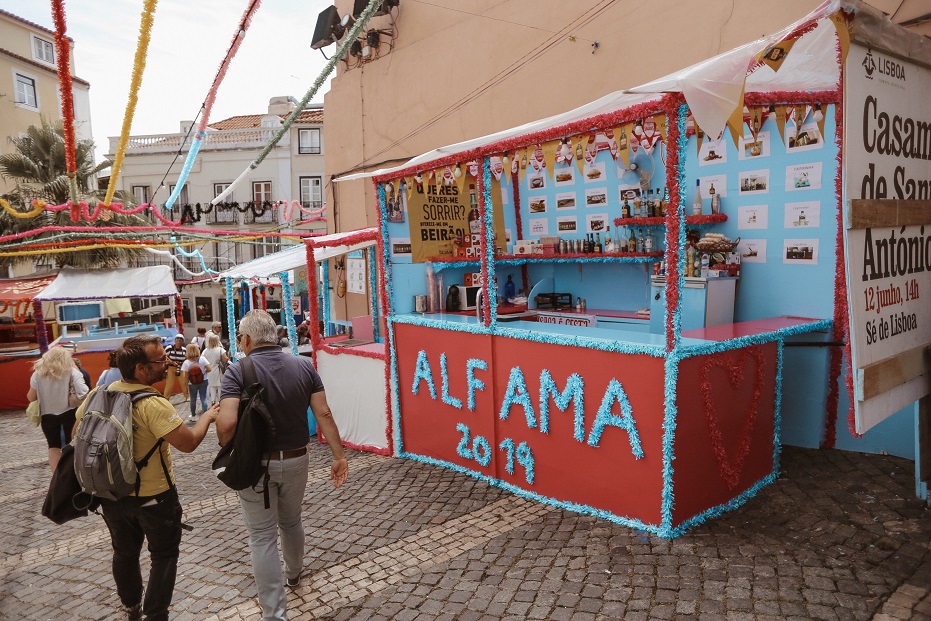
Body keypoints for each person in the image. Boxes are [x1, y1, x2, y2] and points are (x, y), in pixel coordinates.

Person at [75, 334, 218, 621]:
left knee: (124, 553)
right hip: (155, 497)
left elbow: (80, 431)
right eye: (159, 360)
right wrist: (207, 418)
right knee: (164, 555)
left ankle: (131, 606)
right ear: (140, 368)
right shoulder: (153, 404)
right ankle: (155, 615)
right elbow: (187, 443)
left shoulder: (97, 394)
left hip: (111, 494)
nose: (166, 364)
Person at [218, 310, 348, 621]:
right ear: (275, 336)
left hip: (255, 467)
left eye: (240, 338)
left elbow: (226, 426)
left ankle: (274, 614)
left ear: (247, 339)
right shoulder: (304, 366)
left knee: (262, 536)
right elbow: (324, 414)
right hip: (296, 459)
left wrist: (225, 437)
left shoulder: (237, 371)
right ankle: (294, 573)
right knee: (291, 521)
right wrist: (338, 456)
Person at [26, 346, 88, 470]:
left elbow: (31, 397)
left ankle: (57, 477)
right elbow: (83, 392)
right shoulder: (72, 372)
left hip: (47, 416)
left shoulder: (38, 374)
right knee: (72, 445)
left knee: (53, 447)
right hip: (69, 413)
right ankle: (73, 475)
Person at [180, 343, 211, 422]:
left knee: (193, 399)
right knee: (203, 397)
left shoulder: (186, 362)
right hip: (203, 380)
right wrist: (203, 372)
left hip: (192, 383)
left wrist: (185, 386)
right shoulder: (202, 359)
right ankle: (205, 415)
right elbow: (209, 369)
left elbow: (186, 376)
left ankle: (193, 416)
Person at [201, 332, 228, 405]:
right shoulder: (220, 349)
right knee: (219, 386)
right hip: (218, 370)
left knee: (212, 386)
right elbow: (225, 359)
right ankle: (220, 401)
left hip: (209, 371)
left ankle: (213, 401)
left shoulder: (205, 351)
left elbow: (202, 360)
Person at [163, 335, 188, 402]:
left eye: (180, 339)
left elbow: (186, 359)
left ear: (182, 341)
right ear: (175, 340)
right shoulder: (169, 348)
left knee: (184, 382)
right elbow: (164, 356)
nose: (179, 340)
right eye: (177, 339)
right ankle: (166, 398)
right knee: (169, 384)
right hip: (171, 367)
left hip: (180, 368)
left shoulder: (184, 350)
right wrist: (172, 362)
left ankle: (187, 396)